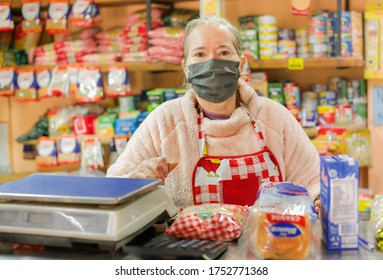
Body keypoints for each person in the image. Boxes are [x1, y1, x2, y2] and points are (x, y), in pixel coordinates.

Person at [107, 16, 321, 214]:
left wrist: (320, 200)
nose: (212, 63)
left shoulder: (274, 117)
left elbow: (314, 180)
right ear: (186, 68)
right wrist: (137, 182)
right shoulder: (165, 122)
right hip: (191, 252)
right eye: (200, 54)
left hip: (266, 247)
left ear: (241, 64)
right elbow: (113, 189)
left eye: (224, 53)